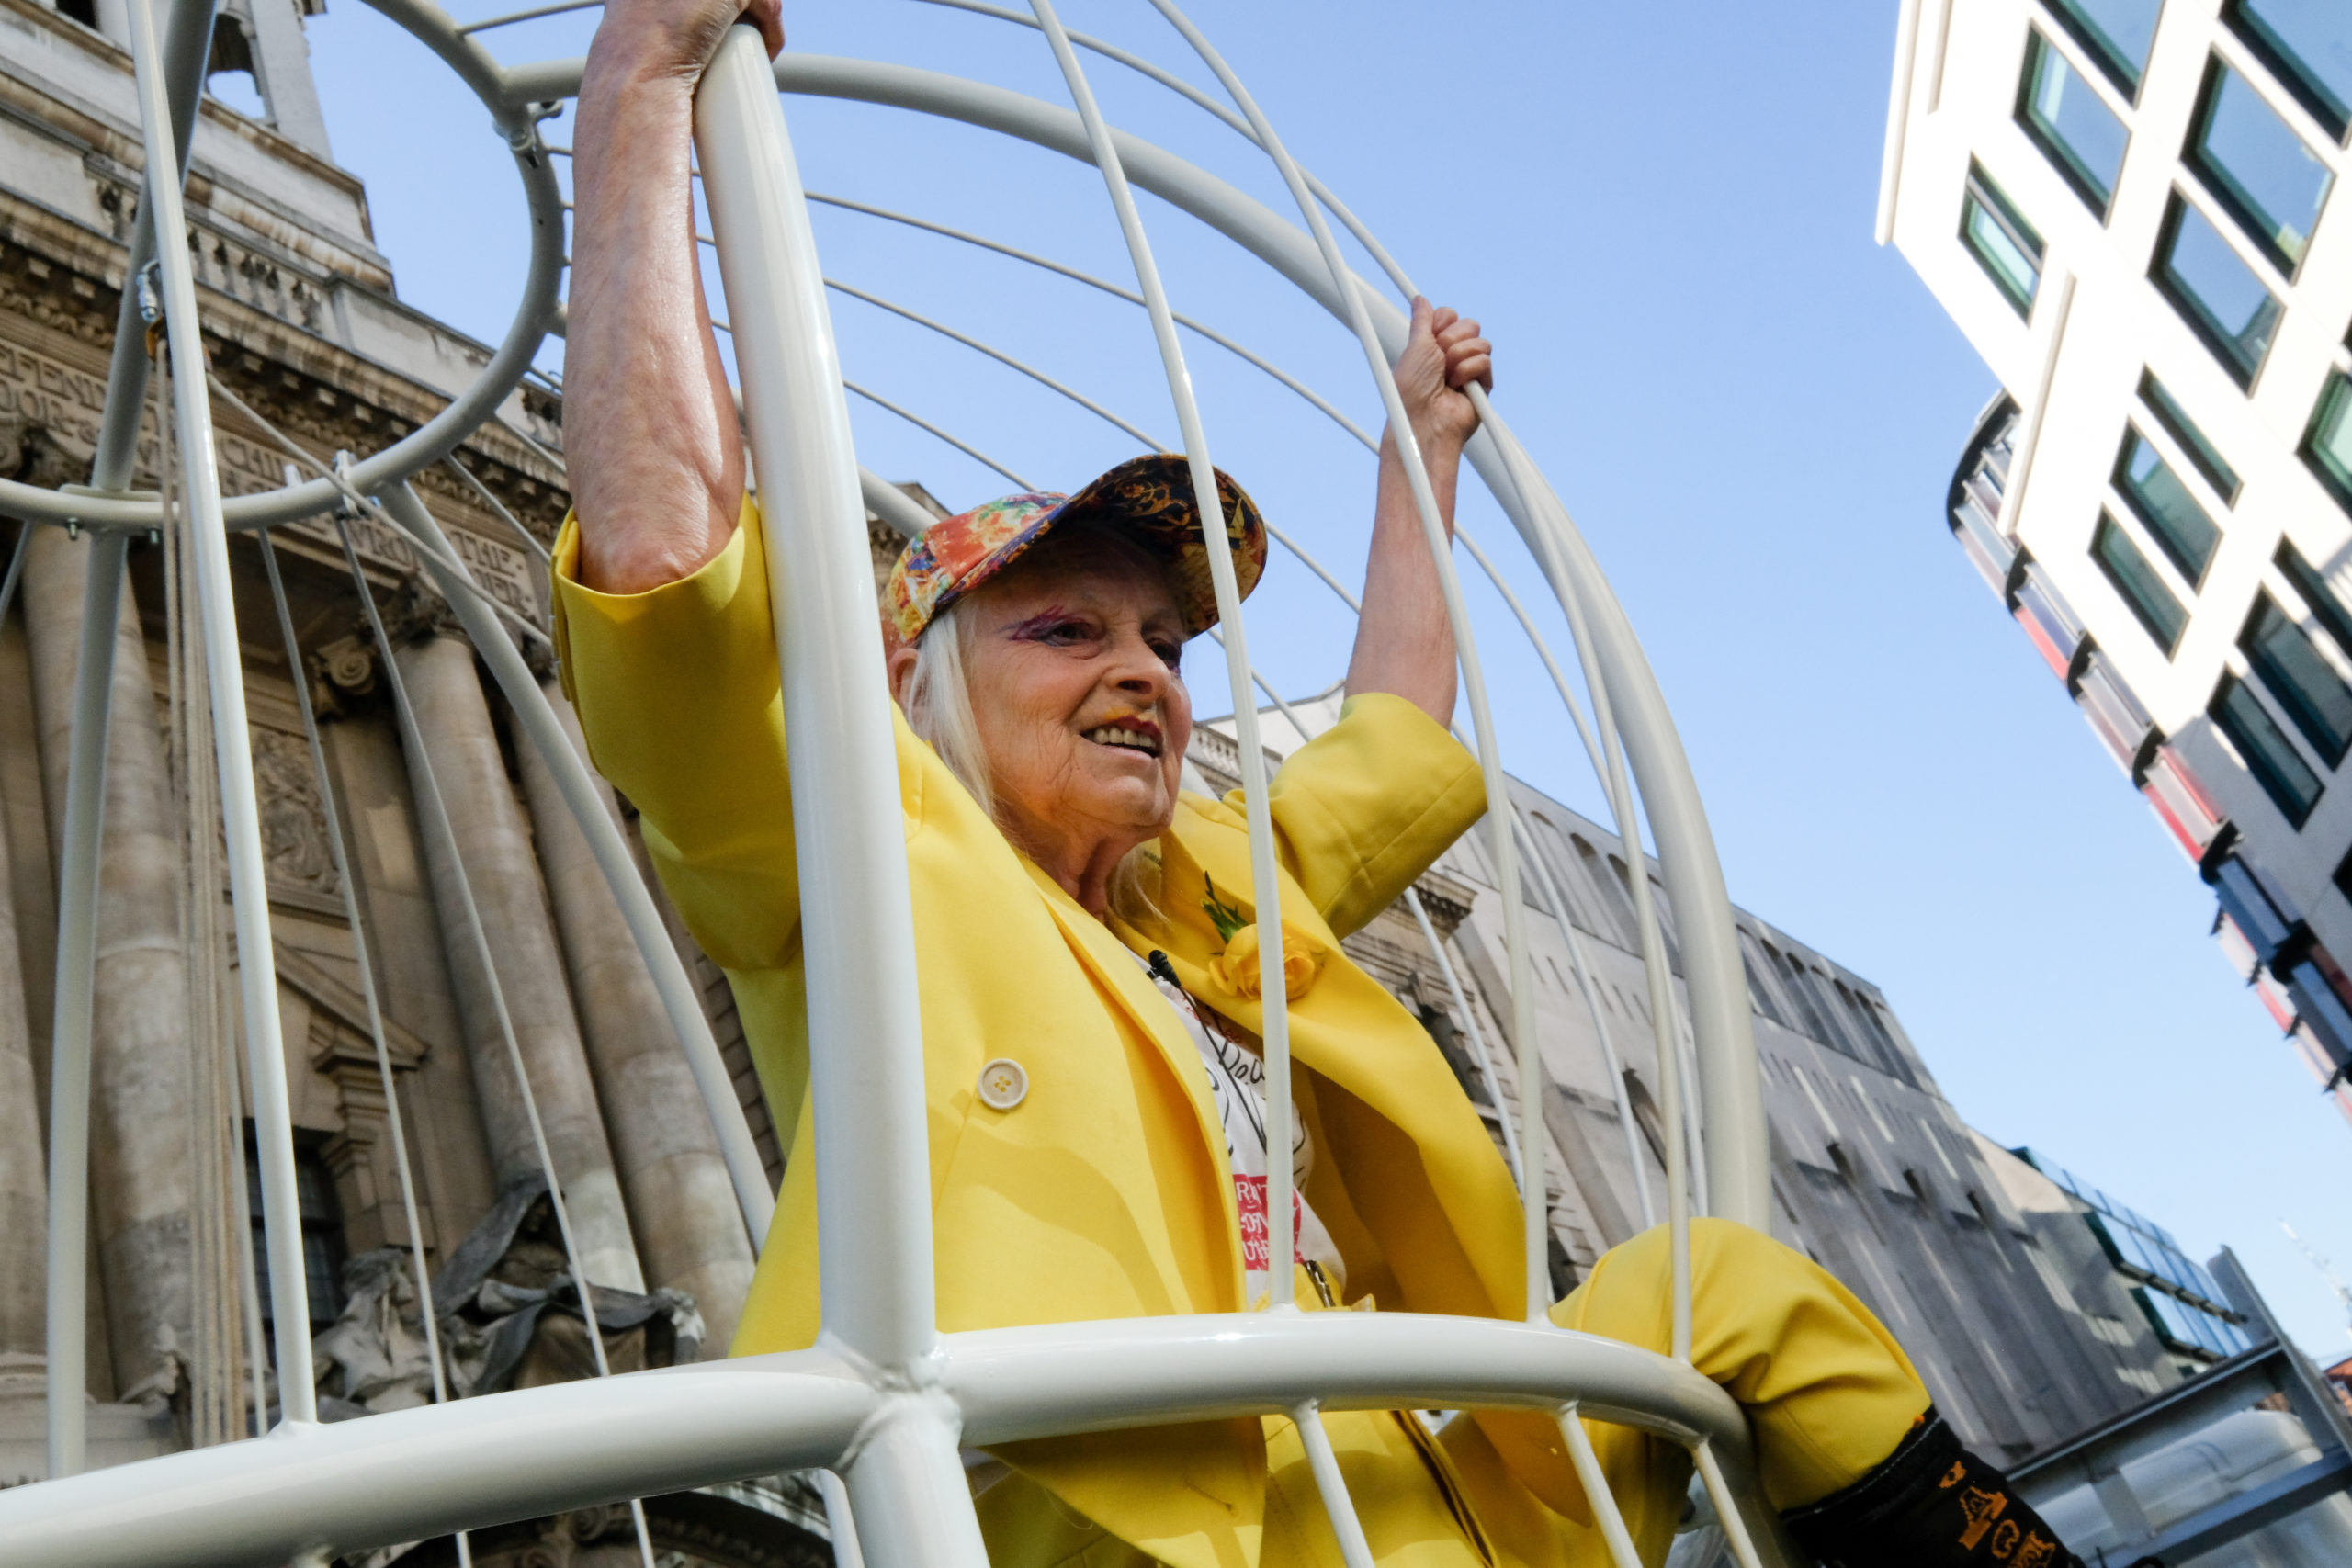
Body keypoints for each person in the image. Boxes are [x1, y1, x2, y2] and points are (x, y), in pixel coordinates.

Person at [557, 4, 2088, 1564]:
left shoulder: (1208, 883)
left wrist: (1415, 452)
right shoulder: (850, 858)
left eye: (1166, 637)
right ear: (912, 686)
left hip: (1438, 1465)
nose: (1148, 669)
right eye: (1067, 628)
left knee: (1739, 1292)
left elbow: (1390, 740)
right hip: (1173, 1523)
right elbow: (677, 592)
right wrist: (639, 92)